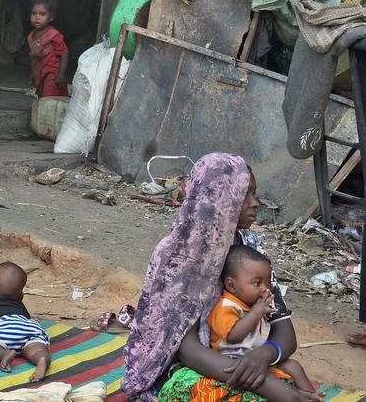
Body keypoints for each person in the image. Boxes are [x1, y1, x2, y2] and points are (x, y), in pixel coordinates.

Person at [122, 153, 324, 402]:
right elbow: (188, 351)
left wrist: (265, 354)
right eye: (245, 194)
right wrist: (268, 385)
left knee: (290, 379)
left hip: (238, 359)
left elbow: (284, 331)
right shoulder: (177, 256)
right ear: (218, 198)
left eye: (254, 194)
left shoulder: (249, 251)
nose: (255, 203)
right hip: (182, 368)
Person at [208, 245, 315, 395]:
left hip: (258, 360)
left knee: (292, 366)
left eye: (268, 283)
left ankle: (311, 396)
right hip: (233, 363)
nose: (266, 289)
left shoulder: (254, 305)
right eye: (257, 283)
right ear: (231, 285)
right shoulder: (226, 306)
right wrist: (256, 312)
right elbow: (233, 335)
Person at [28, 0, 69, 98]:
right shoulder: (31, 36)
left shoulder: (53, 35)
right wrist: (33, 72)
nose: (37, 17)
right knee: (41, 95)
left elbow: (64, 53)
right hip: (40, 72)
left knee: (48, 96)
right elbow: (33, 57)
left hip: (52, 72)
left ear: (51, 17)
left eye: (42, 14)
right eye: (34, 13)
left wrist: (61, 73)